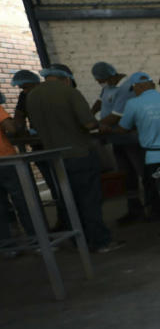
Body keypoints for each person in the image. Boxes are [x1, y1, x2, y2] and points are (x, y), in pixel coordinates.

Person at [24, 65, 122, 253]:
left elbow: (35, 125)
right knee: (89, 200)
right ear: (67, 77)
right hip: (79, 154)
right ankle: (100, 241)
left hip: (54, 158)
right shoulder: (69, 92)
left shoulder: (32, 96)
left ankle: (79, 241)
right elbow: (88, 123)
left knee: (69, 200)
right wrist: (101, 126)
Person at [113, 72, 160, 238]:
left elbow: (123, 128)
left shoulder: (133, 103)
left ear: (137, 88)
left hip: (156, 158)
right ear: (153, 85)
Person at [91, 61, 145, 224]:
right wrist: (89, 115)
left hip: (130, 138)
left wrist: (95, 125)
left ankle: (154, 208)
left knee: (142, 172)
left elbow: (117, 116)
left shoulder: (126, 88)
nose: (101, 83)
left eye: (102, 80)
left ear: (111, 75)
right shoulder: (110, 86)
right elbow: (100, 101)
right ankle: (134, 209)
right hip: (116, 138)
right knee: (126, 177)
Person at [12, 69, 64, 228]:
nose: (25, 91)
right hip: (39, 145)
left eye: (27, 87)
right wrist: (20, 129)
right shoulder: (25, 97)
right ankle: (63, 220)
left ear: (36, 83)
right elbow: (19, 117)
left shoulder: (48, 93)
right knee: (54, 186)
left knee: (65, 185)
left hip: (58, 144)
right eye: (23, 88)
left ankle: (71, 221)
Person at [0, 101, 35, 256]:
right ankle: (37, 240)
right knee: (22, 200)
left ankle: (7, 247)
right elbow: (11, 129)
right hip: (5, 159)